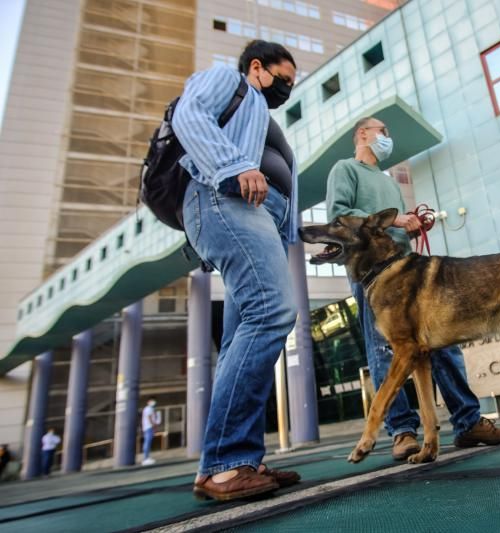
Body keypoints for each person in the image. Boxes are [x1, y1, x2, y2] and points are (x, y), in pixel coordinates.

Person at [326, 116, 500, 459]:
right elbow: (340, 216)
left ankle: (468, 421)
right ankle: (402, 431)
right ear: (362, 134)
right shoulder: (345, 169)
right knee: (385, 348)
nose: (387, 137)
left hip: (409, 271)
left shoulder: (388, 182)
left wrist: (407, 227)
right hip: (373, 277)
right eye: (383, 131)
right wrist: (393, 217)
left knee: (444, 344)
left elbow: (391, 227)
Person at [172, 40, 301, 501]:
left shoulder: (262, 117)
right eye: (283, 77)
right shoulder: (228, 82)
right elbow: (190, 116)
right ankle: (228, 461)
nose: (288, 86)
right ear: (257, 68)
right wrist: (233, 164)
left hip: (256, 215)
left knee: (243, 332)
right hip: (224, 198)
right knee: (272, 313)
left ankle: (233, 462)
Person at [141, 397, 158, 466]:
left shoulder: (150, 409)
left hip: (148, 427)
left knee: (148, 442)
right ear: (148, 402)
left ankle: (147, 457)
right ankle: (145, 458)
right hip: (149, 427)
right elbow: (149, 418)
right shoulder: (148, 409)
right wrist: (153, 426)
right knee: (147, 442)